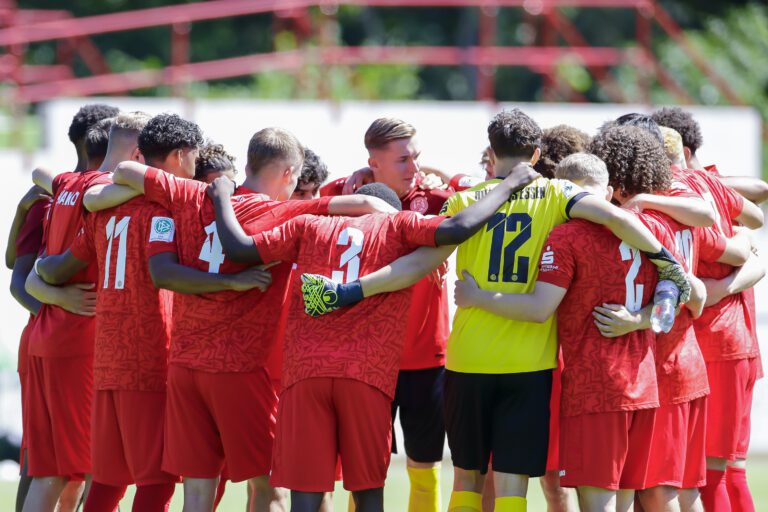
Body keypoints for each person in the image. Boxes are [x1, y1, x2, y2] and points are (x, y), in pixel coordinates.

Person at [300, 109, 689, 512]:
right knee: (511, 486)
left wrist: (351, 290)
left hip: (468, 359)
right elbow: (614, 217)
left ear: (492, 151)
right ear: (536, 156)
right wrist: (666, 261)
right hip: (529, 364)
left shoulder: (466, 201)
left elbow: (416, 265)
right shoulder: (557, 195)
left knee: (467, 477)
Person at [207, 160, 540, 512]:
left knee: (305, 495)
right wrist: (509, 184)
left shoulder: (308, 226)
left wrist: (221, 196)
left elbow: (239, 248)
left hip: (305, 374)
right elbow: (459, 228)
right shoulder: (398, 225)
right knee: (367, 493)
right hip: (365, 376)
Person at [95, 126, 395, 512]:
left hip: (185, 369)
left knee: (198, 495)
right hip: (238, 371)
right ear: (288, 174)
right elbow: (362, 207)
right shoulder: (282, 211)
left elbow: (126, 170)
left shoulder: (192, 194)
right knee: (273, 488)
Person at [454, 152, 662, 512]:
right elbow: (688, 293)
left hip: (595, 385)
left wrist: (476, 297)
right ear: (609, 189)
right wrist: (640, 319)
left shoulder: (566, 236)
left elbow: (538, 308)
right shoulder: (648, 229)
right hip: (644, 383)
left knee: (597, 503)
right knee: (629, 503)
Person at [320, 118, 454, 512]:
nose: (413, 168)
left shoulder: (436, 199)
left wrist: (440, 173)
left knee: (425, 463)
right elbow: (309, 196)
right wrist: (356, 177)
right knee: (364, 468)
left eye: (416, 157)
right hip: (368, 357)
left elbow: (482, 191)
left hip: (427, 356)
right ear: (373, 162)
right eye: (402, 160)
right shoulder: (349, 196)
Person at [21, 105, 121, 512]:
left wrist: (52, 296)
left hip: (46, 336)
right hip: (76, 339)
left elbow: (26, 274)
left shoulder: (58, 188)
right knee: (96, 468)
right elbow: (21, 277)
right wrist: (61, 299)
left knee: (51, 472)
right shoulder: (96, 193)